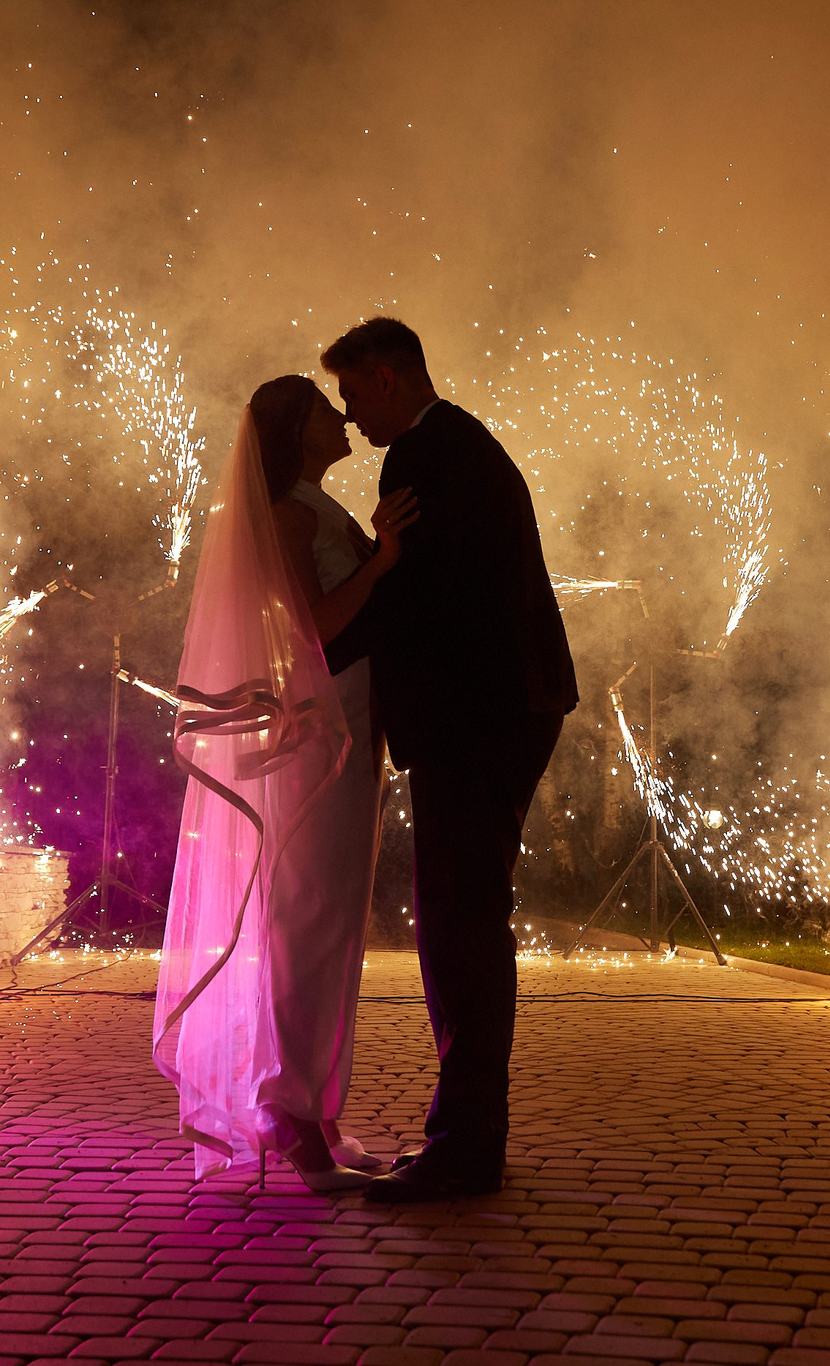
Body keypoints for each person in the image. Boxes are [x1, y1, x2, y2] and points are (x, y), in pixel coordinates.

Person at [323, 316, 578, 1203]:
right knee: (463, 922)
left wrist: (323, 643)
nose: (350, 418)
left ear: (388, 378)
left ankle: (466, 1150)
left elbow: (420, 603)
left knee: (459, 927)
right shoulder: (462, 442)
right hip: (507, 709)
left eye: (354, 394)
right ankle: (467, 1136)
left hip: (480, 718)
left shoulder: (423, 458)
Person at [150, 376, 416, 1193]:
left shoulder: (309, 504)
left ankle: (317, 1113)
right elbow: (314, 626)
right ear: (296, 430)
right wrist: (383, 564)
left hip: (347, 723)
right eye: (322, 411)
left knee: (332, 922)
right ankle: (294, 1119)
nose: (340, 420)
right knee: (309, 920)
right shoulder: (295, 515)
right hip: (320, 732)